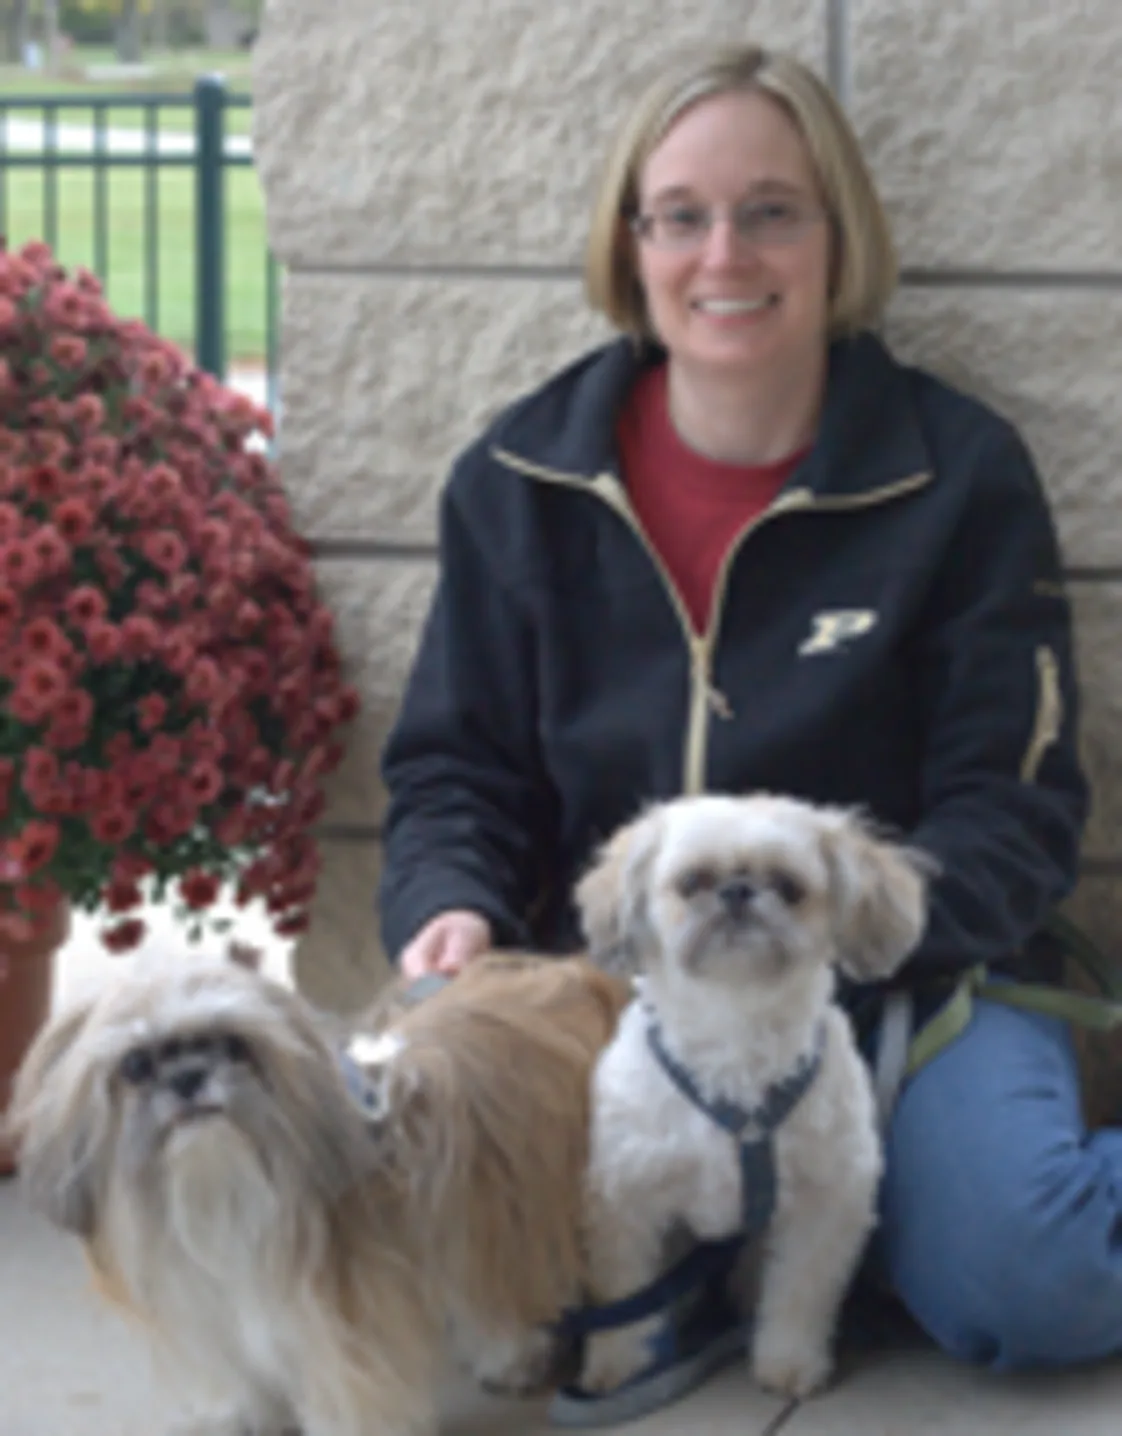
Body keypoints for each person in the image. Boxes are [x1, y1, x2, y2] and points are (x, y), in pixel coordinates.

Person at [378, 42, 1122, 1374]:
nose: (725, 251)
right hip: (610, 990)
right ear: (633, 240)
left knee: (1033, 1275)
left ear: (837, 236)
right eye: (682, 215)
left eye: (772, 208)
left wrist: (860, 932)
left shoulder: (957, 473)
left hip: (905, 979)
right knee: (472, 1299)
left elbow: (1012, 799)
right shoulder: (515, 478)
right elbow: (455, 767)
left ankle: (900, 1211)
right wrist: (449, 905)